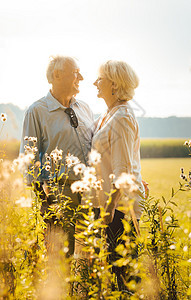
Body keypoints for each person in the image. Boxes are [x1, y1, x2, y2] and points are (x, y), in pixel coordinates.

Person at [20, 55, 94, 255]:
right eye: (76, 73)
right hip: (58, 194)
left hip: (91, 193)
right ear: (57, 75)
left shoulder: (85, 108)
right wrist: (43, 202)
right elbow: (29, 159)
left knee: (92, 258)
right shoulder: (36, 111)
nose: (82, 78)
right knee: (61, 258)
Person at [92, 60, 147, 290]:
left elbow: (122, 170)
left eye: (100, 79)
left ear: (114, 85)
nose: (95, 82)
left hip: (118, 209)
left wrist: (108, 209)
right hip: (108, 205)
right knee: (110, 273)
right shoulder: (108, 115)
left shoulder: (122, 118)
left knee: (123, 275)